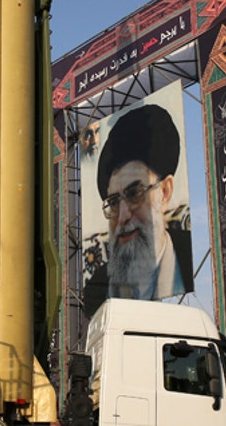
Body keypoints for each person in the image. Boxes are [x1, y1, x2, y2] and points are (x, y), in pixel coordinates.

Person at [82, 103, 192, 315]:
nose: (123, 216)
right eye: (114, 202)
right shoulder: (95, 289)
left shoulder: (186, 263)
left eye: (134, 193)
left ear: (165, 192)